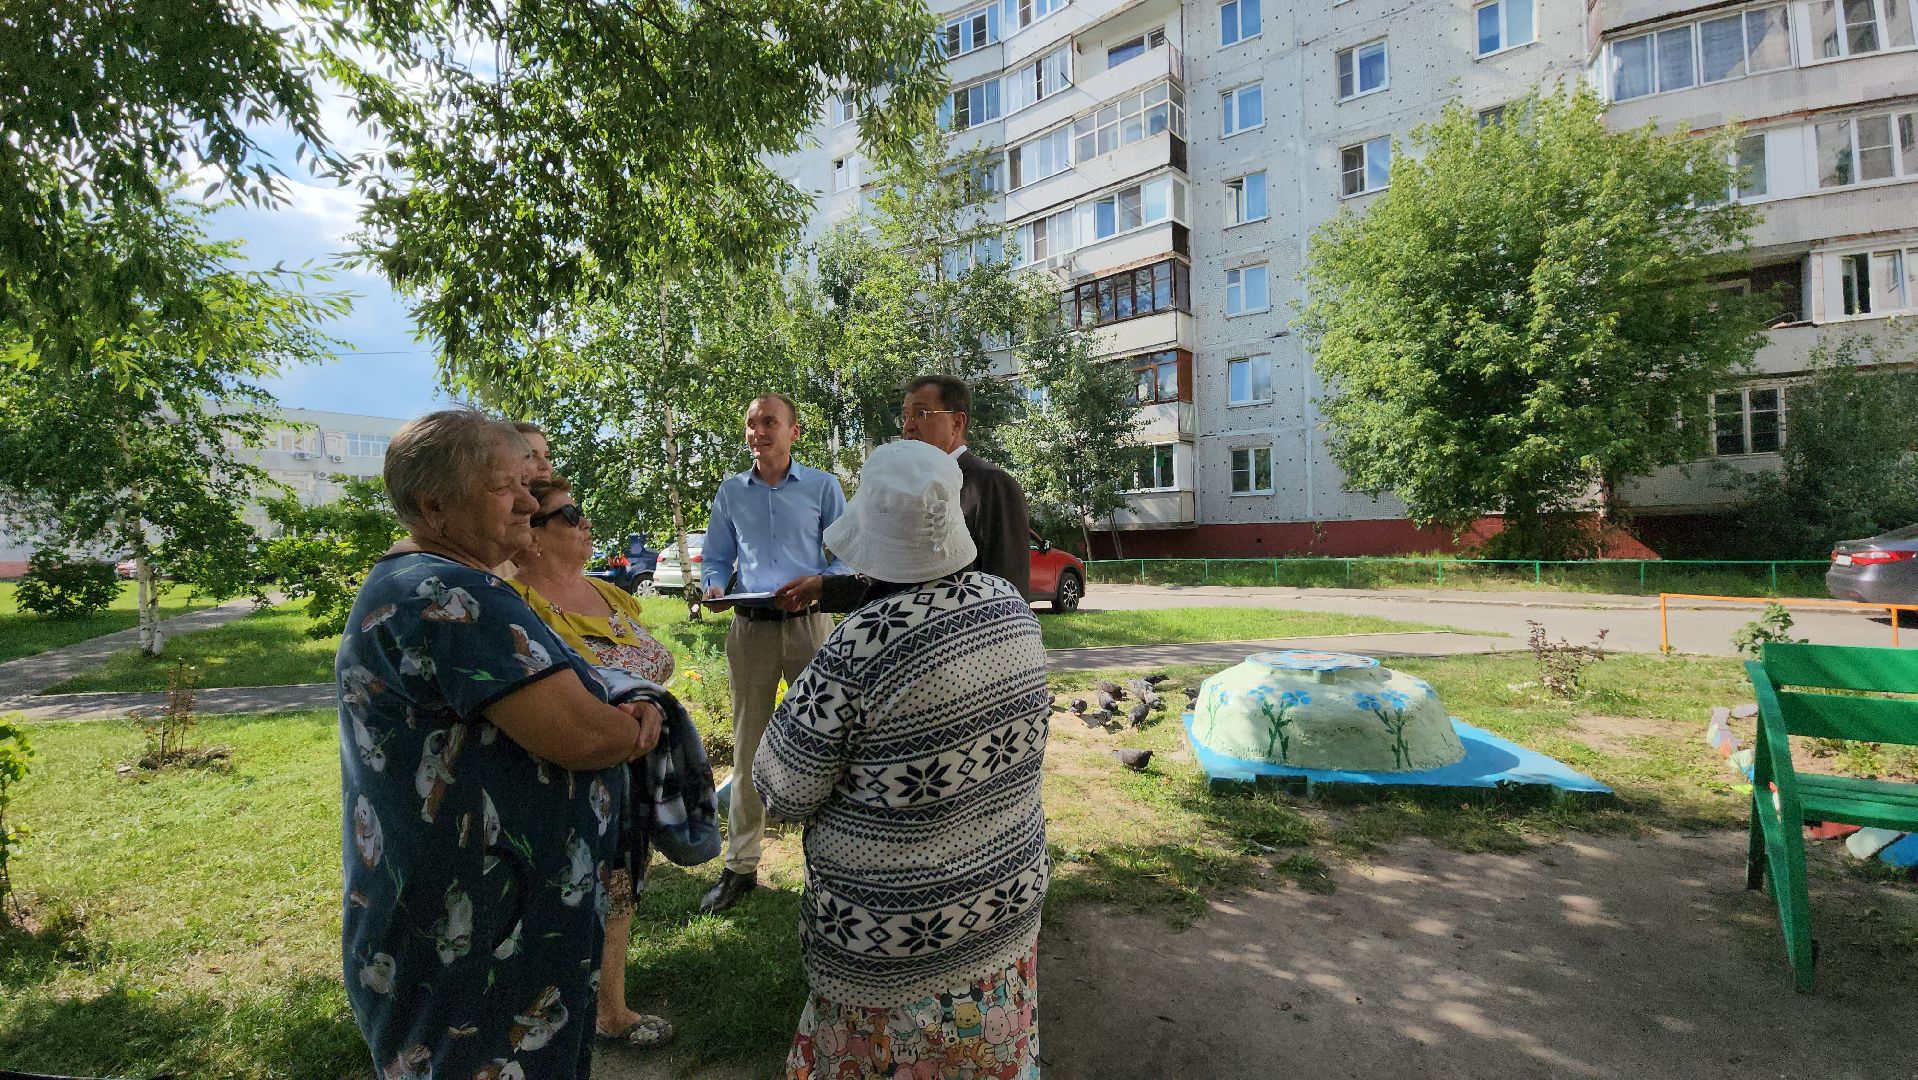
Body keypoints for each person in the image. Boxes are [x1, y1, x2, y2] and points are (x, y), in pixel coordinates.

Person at [336, 408, 662, 1080]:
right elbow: (578, 734)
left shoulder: (430, 581)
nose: (526, 503)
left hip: (479, 922)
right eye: (501, 488)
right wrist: (638, 722)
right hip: (480, 937)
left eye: (526, 482)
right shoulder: (452, 595)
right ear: (433, 504)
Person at [754, 439, 1050, 1080]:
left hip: (894, 940)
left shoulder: (861, 646)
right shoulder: (1011, 610)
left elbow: (783, 790)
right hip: (1003, 907)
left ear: (874, 539)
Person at [508, 475, 676, 1049]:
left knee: (623, 886)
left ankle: (610, 1008)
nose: (584, 523)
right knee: (566, 892)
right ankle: (549, 1013)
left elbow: (650, 664)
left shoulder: (611, 594)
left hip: (632, 768)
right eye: (568, 515)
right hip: (568, 773)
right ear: (531, 535)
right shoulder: (520, 605)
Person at [697, 392, 850, 913]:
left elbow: (845, 557)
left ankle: (833, 864)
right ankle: (741, 866)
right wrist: (715, 587)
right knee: (748, 747)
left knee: (825, 741)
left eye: (769, 422)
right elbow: (716, 559)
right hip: (751, 630)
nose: (757, 431)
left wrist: (818, 583)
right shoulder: (730, 492)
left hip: (810, 627)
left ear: (794, 431)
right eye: (750, 423)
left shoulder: (823, 487)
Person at [900, 373, 1033, 600]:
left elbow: (1008, 594)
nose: (908, 426)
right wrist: (823, 587)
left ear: (957, 423)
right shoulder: (911, 488)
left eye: (921, 413)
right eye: (904, 416)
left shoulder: (991, 485)